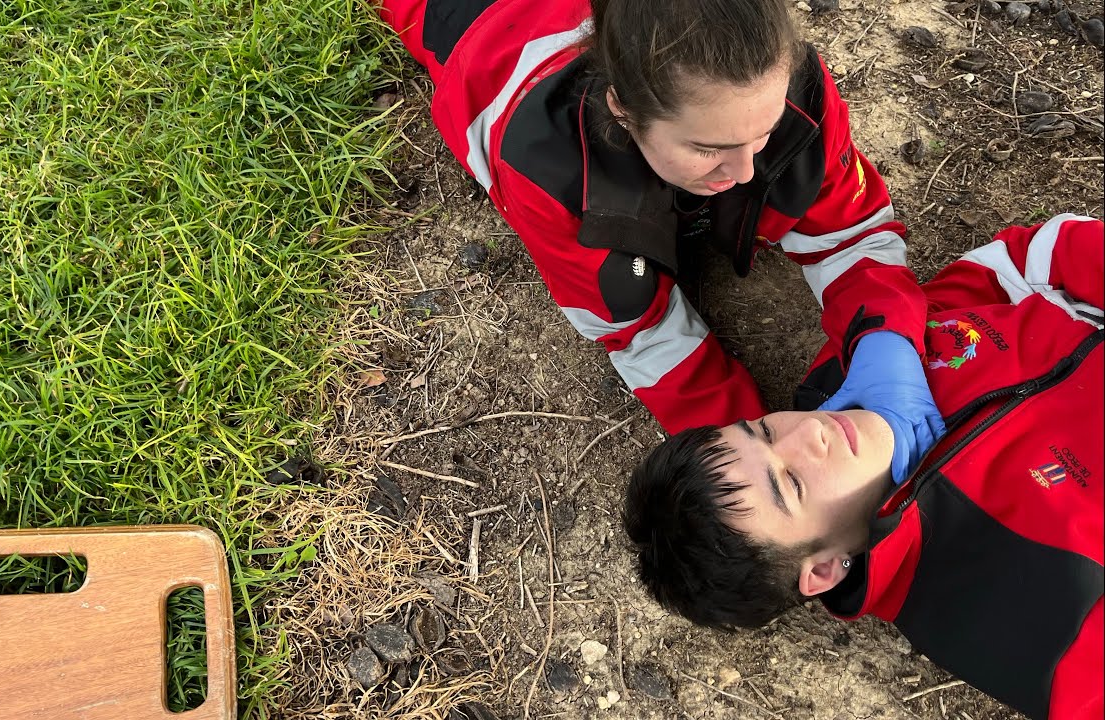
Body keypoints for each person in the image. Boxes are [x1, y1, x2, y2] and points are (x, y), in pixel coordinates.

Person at [375, 0, 944, 483]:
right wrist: (746, 462)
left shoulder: (790, 87)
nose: (745, 172)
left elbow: (851, 229)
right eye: (708, 148)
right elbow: (642, 334)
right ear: (622, 112)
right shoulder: (548, 172)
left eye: (765, 133)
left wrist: (886, 336)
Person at [623, 215, 1104, 720]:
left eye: (763, 430)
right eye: (791, 483)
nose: (809, 430)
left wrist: (887, 339)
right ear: (824, 569)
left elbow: (1013, 264)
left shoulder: (844, 372)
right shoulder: (1039, 626)